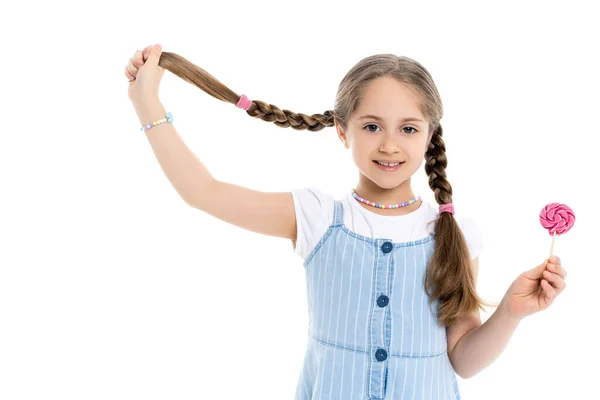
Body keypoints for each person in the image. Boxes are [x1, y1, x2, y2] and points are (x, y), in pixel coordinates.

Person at [124, 44, 568, 399]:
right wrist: (147, 103)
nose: (390, 144)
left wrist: (510, 312)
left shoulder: (456, 236)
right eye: (372, 126)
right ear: (342, 130)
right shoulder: (317, 217)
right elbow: (204, 192)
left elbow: (464, 361)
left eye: (409, 128)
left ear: (431, 135)